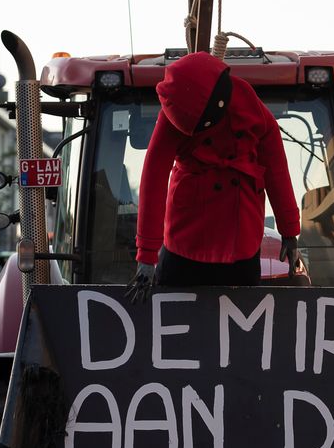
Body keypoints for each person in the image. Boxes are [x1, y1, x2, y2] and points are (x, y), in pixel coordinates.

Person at [127, 51, 301, 300]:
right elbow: (153, 179)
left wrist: (289, 231)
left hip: (239, 241)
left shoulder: (254, 112)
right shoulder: (173, 111)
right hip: (186, 240)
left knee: (242, 318)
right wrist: (146, 256)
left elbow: (276, 169)